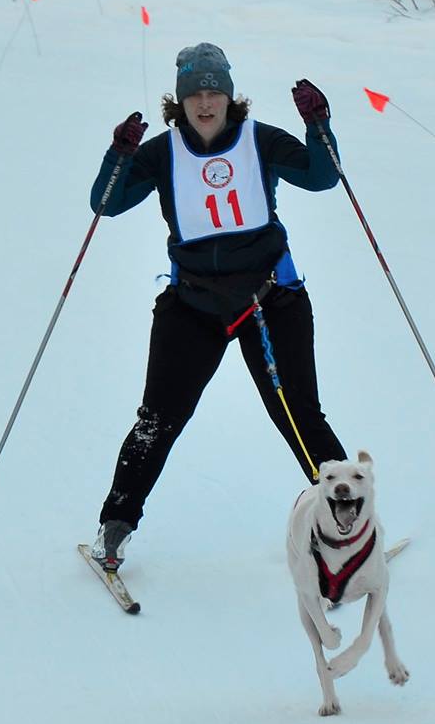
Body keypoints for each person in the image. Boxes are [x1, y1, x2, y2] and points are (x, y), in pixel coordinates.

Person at [89, 42, 347, 570]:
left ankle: (348, 526)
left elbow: (323, 177)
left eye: (215, 92)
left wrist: (319, 127)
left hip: (270, 300)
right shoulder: (161, 153)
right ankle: (114, 529)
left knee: (300, 415)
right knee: (157, 420)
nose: (206, 103)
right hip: (193, 305)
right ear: (178, 101)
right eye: (195, 94)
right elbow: (106, 204)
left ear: (231, 97)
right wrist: (119, 154)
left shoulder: (260, 140)